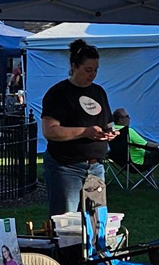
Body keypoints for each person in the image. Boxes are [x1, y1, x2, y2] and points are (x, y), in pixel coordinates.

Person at [41, 39, 118, 217]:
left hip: (96, 167)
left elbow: (107, 122)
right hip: (66, 166)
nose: (92, 75)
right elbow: (50, 131)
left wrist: (110, 133)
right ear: (74, 66)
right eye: (88, 70)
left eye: (96, 70)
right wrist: (85, 132)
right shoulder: (58, 93)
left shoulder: (99, 92)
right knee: (66, 222)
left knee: (96, 221)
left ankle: (91, 246)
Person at [111, 107, 159, 188]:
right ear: (120, 120)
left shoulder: (111, 131)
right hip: (136, 163)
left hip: (120, 161)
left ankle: (150, 179)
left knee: (148, 153)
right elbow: (147, 145)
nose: (129, 118)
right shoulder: (128, 131)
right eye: (127, 116)